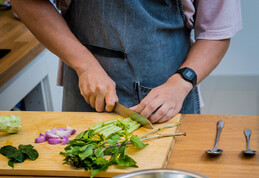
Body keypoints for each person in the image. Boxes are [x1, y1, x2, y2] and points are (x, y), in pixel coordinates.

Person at [11, 0, 242, 123]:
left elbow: (217, 31)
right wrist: (84, 65)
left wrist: (181, 82)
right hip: (85, 91)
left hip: (171, 90)